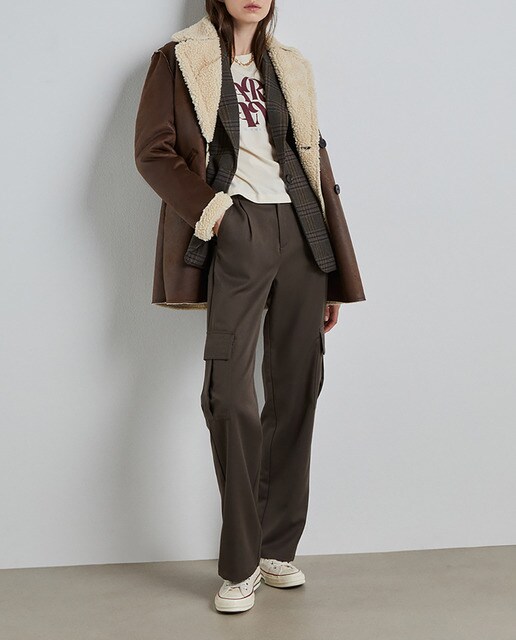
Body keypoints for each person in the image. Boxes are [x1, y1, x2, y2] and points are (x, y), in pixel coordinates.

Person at [134, 0, 366, 614]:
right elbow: (153, 152)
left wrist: (331, 270)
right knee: (229, 395)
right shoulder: (179, 59)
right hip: (237, 229)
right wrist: (218, 214)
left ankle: (276, 547)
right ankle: (239, 564)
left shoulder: (290, 65)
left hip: (302, 232)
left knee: (297, 389)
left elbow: (311, 157)